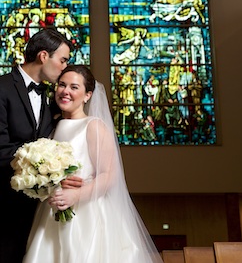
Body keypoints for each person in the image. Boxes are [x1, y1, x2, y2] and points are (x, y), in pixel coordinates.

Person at [24, 65, 163, 263]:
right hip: (54, 210)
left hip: (87, 214)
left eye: (74, 87)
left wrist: (76, 195)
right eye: (62, 85)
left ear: (88, 95)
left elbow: (109, 175)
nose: (66, 92)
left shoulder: (94, 126)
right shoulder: (53, 128)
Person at [0, 29, 81, 263]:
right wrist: (47, 167)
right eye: (63, 60)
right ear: (43, 56)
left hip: (36, 209)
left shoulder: (51, 98)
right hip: (0, 206)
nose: (65, 67)